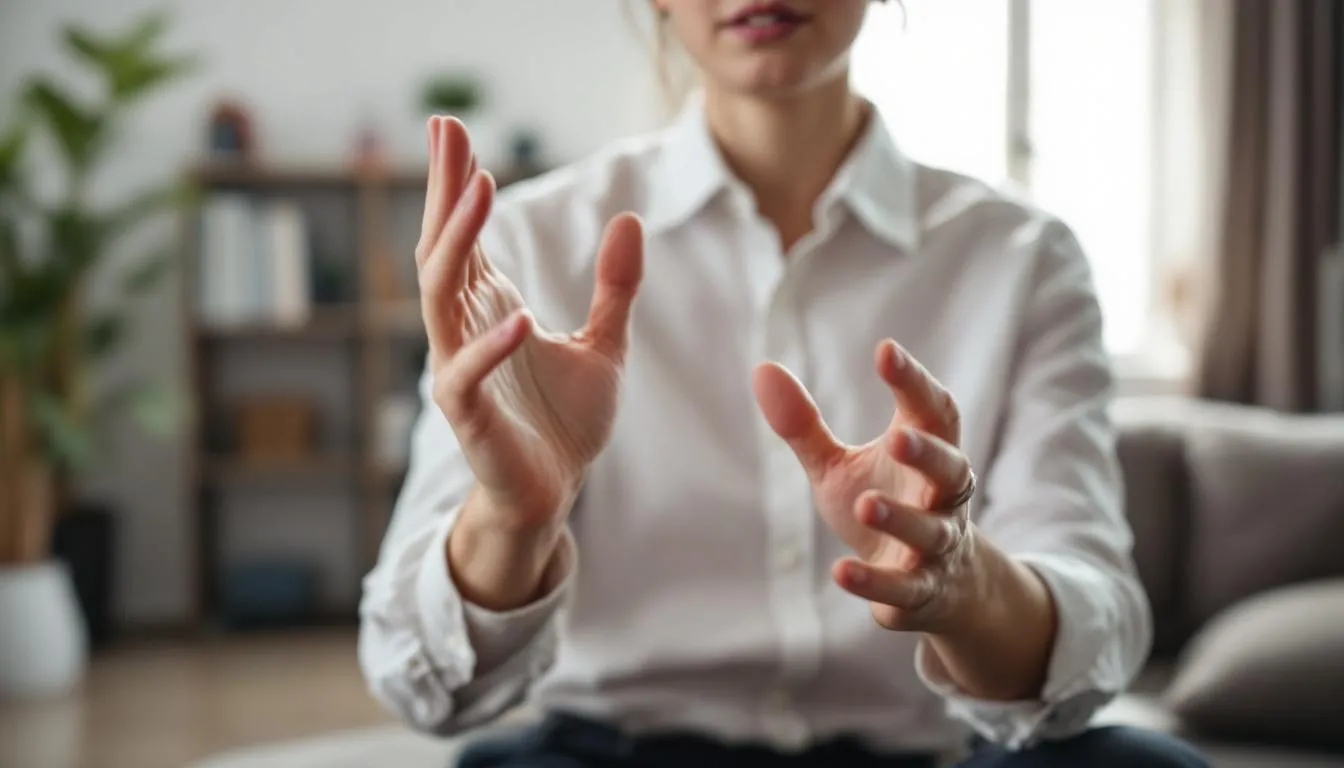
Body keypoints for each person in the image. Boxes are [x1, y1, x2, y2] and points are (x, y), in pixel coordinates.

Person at [359, 2, 1210, 766]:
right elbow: (418, 681)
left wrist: (962, 584)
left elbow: (1095, 632)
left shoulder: (1023, 258)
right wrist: (513, 519)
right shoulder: (527, 244)